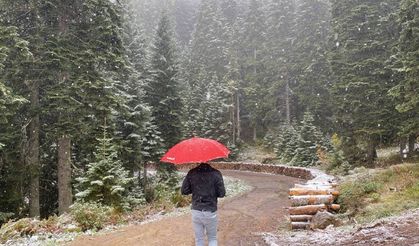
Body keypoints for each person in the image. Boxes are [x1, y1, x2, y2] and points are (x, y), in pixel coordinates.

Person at [181, 163, 226, 246]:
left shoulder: (192, 173)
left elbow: (184, 191)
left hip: (196, 211)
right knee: (212, 238)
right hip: (210, 211)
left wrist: (195, 187)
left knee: (199, 239)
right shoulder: (216, 173)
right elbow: (222, 194)